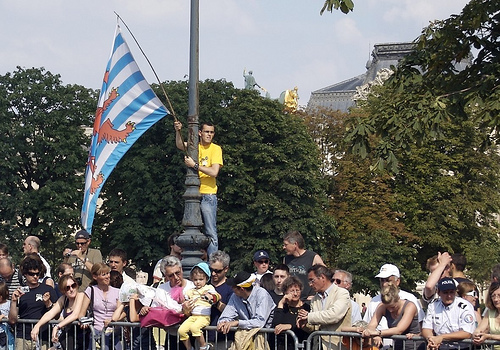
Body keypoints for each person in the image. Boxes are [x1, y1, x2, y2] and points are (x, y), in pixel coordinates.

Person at [174, 121, 223, 257]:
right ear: (200, 133)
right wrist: (178, 131)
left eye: (211, 132)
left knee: (210, 231)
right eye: (207, 132)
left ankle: (213, 262)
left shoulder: (215, 149)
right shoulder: (195, 146)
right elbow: (179, 145)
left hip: (208, 194)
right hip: (192, 193)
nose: (209, 135)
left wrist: (194, 165)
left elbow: (214, 172)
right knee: (190, 228)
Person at [363, 263, 425, 349]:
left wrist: (378, 333)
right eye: (382, 280)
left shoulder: (410, 302)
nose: (384, 284)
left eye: (388, 280)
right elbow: (371, 325)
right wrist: (373, 334)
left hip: (415, 347)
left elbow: (400, 329)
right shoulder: (378, 303)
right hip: (396, 346)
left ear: (398, 281)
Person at [8, 254, 58, 349]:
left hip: (43, 337)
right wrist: (14, 301)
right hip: (22, 337)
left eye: (38, 274)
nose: (35, 276)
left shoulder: (48, 289)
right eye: (32, 274)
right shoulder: (20, 291)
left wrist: (48, 304)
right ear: (25, 274)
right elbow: (12, 320)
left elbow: (56, 316)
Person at [296, 264, 351, 350]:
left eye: (312, 280)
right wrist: (305, 324)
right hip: (318, 346)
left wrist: (309, 316)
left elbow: (334, 315)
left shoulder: (342, 293)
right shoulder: (315, 299)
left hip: (337, 346)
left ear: (322, 277)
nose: (310, 284)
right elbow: (316, 326)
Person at [30, 275, 85, 350]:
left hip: (83, 338)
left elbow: (75, 315)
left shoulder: (81, 295)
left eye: (73, 285)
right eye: (67, 288)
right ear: (63, 291)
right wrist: (37, 326)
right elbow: (50, 313)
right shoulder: (63, 299)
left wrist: (57, 327)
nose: (71, 289)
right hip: (69, 338)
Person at [422, 277, 476, 350]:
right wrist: (431, 340)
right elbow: (426, 328)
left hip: (461, 348)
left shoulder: (465, 306)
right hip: (440, 348)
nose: (449, 296)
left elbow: (467, 333)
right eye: (445, 292)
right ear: (438, 292)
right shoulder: (433, 305)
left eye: (451, 292)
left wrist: (442, 337)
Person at [178, 262, 221, 350]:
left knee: (194, 329)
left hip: (203, 316)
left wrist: (210, 297)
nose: (198, 282)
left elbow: (218, 296)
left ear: (206, 278)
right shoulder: (190, 291)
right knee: (181, 331)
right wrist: (185, 304)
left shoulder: (209, 288)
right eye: (195, 279)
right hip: (193, 316)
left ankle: (204, 346)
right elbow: (184, 302)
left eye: (201, 279)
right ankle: (189, 348)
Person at [79, 262, 121, 350]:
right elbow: (82, 313)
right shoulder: (91, 290)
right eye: (103, 274)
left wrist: (112, 320)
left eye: (108, 273)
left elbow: (121, 311)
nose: (107, 276)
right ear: (95, 277)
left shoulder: (117, 292)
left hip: (113, 333)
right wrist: (84, 321)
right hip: (97, 333)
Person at [282, 230, 325, 300]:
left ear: (295, 244)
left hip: (308, 300)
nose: (284, 247)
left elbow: (325, 278)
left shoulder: (313, 257)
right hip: (291, 300)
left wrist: (318, 295)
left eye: (286, 245)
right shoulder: (286, 259)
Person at [272, 276, 311, 350]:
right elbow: (276, 325)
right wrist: (281, 303)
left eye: (298, 290)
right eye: (292, 291)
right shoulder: (283, 308)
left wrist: (290, 326)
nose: (295, 294)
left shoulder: (306, 307)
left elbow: (305, 327)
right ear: (285, 292)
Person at [207, 251, 233, 348]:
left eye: (217, 271)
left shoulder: (231, 288)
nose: (213, 273)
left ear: (226, 269)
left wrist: (215, 302)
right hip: (203, 338)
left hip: (224, 340)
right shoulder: (204, 285)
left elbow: (232, 312)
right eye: (211, 269)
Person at [473, 282, 500, 348]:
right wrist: (477, 335)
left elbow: (488, 336)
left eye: (499, 295)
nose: (496, 299)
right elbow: (479, 329)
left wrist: (489, 336)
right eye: (493, 296)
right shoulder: (489, 312)